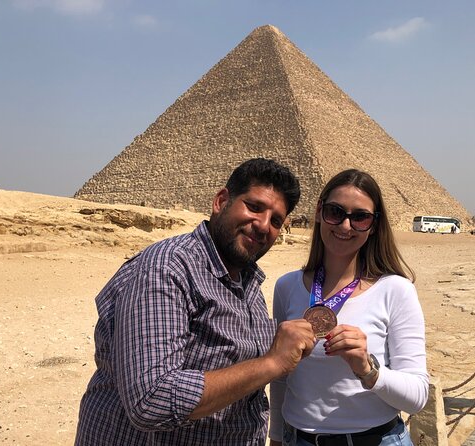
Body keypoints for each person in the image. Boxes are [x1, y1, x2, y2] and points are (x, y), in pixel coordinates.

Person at [74, 158, 316, 446]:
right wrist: (271, 363)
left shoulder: (246, 278)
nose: (263, 225)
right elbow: (151, 399)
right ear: (221, 201)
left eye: (276, 220)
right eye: (254, 207)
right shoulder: (167, 268)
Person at [269, 169, 429, 446]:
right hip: (298, 439)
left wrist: (367, 369)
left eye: (360, 217)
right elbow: (282, 377)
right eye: (335, 212)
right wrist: (276, 437)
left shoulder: (395, 290)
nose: (345, 226)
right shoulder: (286, 287)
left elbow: (417, 397)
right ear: (319, 212)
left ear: (374, 225)